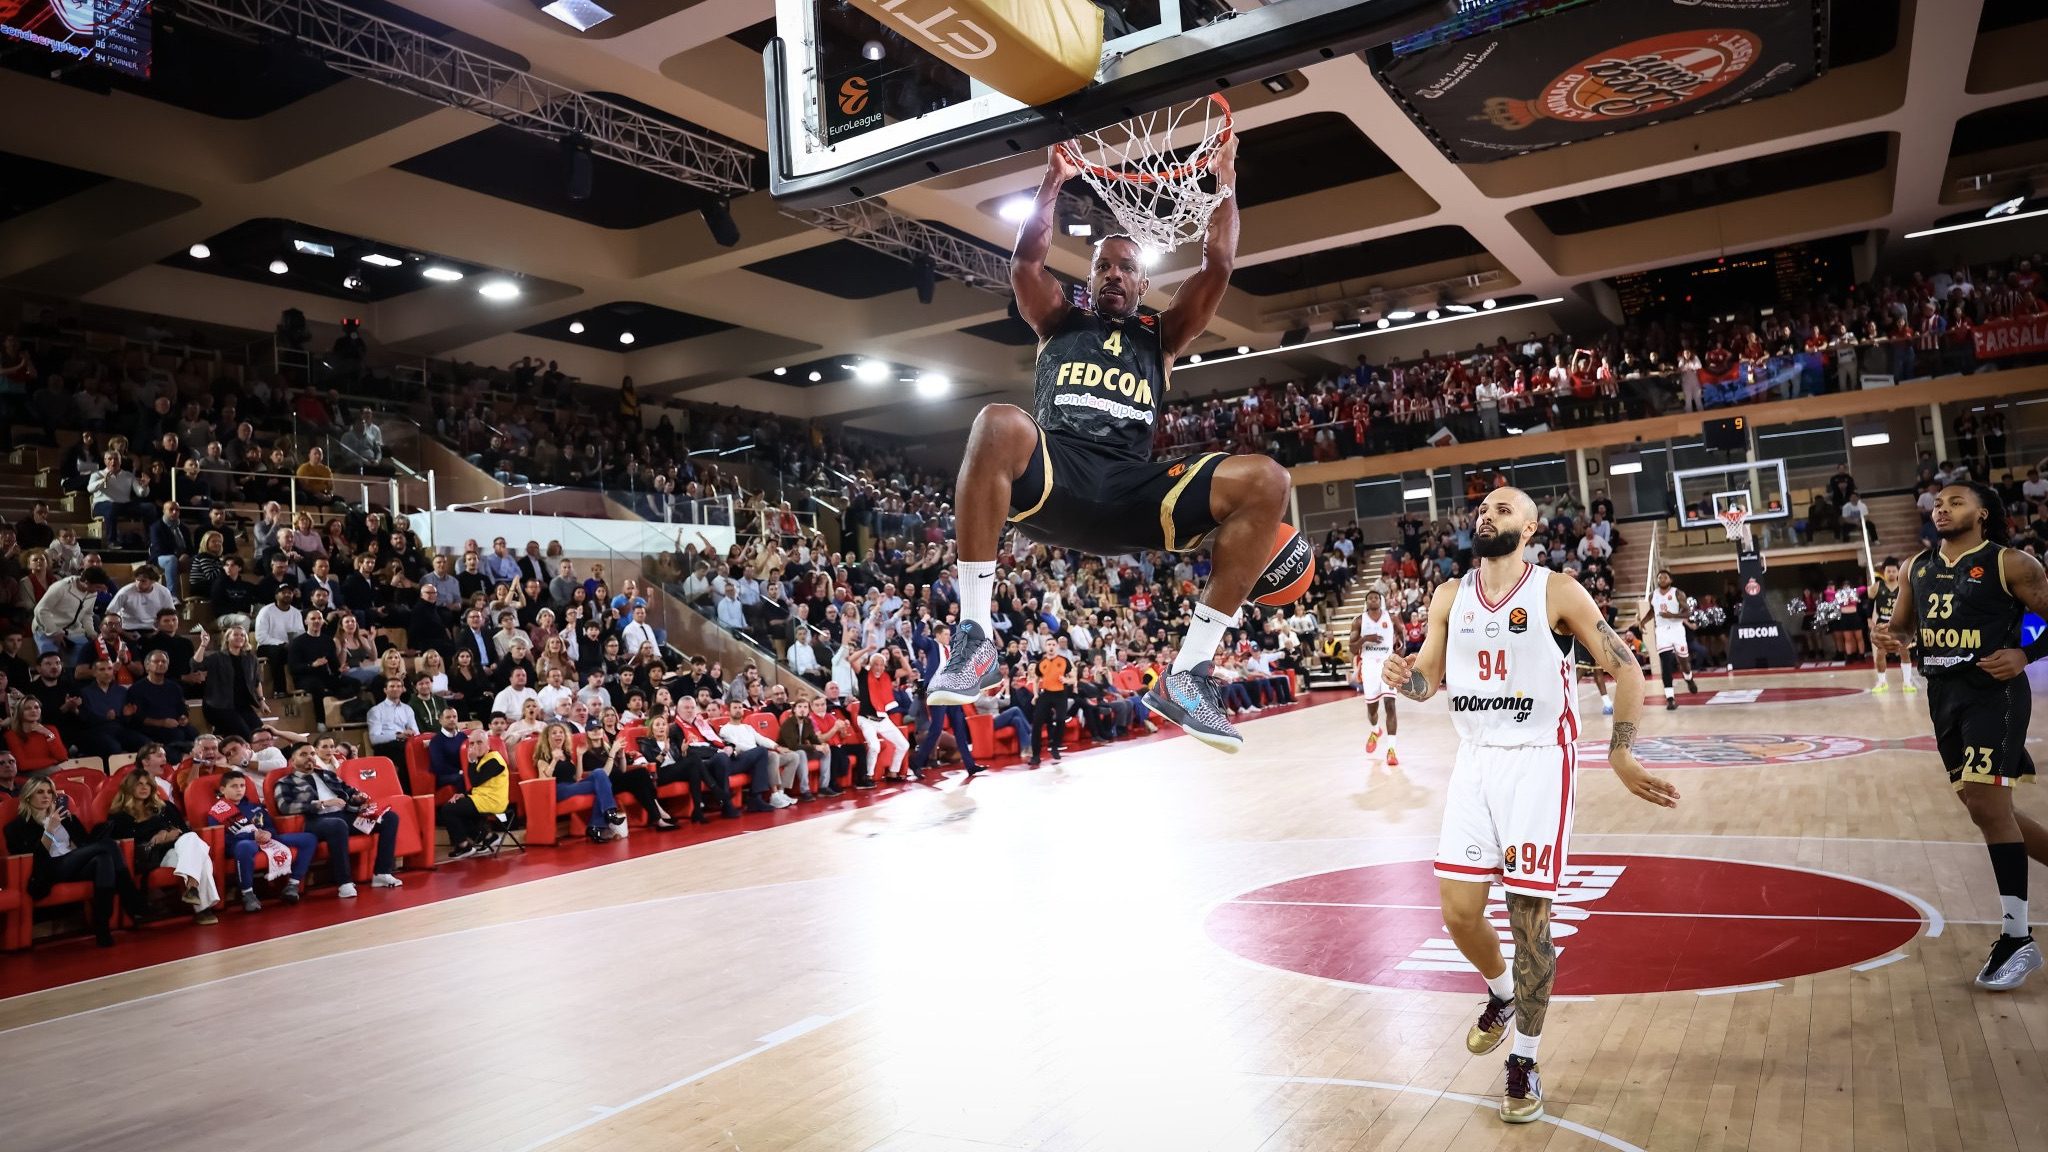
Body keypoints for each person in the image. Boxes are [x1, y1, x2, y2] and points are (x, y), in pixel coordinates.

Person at [923, 139, 1289, 756]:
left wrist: (1224, 182)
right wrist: (1051, 184)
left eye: (1125, 267)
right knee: (997, 421)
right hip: (1055, 477)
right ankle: (975, 636)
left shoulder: (1161, 334)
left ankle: (1190, 673)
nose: (1113, 274)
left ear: (1144, 284)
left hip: (1130, 491)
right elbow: (1023, 267)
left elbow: (1219, 265)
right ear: (1089, 279)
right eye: (1103, 266)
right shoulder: (1059, 321)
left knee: (1269, 480)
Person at [1380, 486, 1678, 1124]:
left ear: (1532, 527)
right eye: (1483, 509)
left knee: (1528, 922)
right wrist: (1406, 679)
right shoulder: (1449, 596)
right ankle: (1501, 994)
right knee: (1459, 914)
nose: (1487, 516)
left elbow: (1625, 668)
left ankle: (1525, 1059)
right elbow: (1430, 679)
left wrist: (1620, 753)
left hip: (1541, 762)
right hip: (1475, 760)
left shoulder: (1557, 591)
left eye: (1503, 509)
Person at [1876, 482, 2048, 990]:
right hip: (1944, 696)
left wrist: (2025, 654)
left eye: (1955, 501)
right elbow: (1904, 628)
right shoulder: (1916, 568)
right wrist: (1891, 637)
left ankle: (2018, 940)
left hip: (1995, 692)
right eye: (1938, 502)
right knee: (1988, 810)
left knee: (1990, 807)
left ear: (1982, 513)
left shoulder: (2011, 563)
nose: (1942, 507)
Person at [7, 776, 146, 946]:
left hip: (74, 864)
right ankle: (131, 899)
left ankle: (102, 927)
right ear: (28, 796)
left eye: (49, 792)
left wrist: (72, 830)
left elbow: (86, 844)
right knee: (108, 845)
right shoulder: (18, 826)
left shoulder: (66, 818)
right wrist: (50, 829)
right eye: (40, 792)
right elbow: (34, 857)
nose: (46, 796)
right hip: (48, 870)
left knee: (103, 859)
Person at [272, 741, 406, 894]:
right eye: (303, 755)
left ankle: (382, 873)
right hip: (314, 821)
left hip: (345, 815)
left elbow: (350, 791)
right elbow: (285, 807)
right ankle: (344, 883)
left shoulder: (327, 775)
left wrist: (358, 798)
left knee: (389, 818)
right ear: (293, 760)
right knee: (337, 824)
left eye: (312, 754)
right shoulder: (285, 782)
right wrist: (322, 804)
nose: (309, 757)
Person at [103, 766, 221, 924]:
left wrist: (172, 832)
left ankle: (194, 891)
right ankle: (201, 906)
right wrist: (157, 838)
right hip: (155, 856)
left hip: (179, 850)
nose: (144, 787)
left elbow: (184, 831)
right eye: (139, 784)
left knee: (191, 838)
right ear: (129, 787)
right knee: (201, 858)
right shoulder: (119, 816)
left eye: (147, 784)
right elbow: (124, 844)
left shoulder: (165, 807)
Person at [206, 768, 318, 911]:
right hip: (241, 844)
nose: (239, 789)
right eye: (234, 786)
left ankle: (292, 885)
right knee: (244, 846)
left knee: (308, 838)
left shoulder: (254, 806)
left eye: (242, 785)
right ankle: (247, 894)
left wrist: (268, 833)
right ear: (223, 789)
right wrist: (251, 836)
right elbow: (222, 839)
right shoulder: (217, 811)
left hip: (266, 840)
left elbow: (270, 826)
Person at [1351, 584, 1400, 765]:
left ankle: (1391, 750)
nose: (1373, 599)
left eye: (1376, 597)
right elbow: (1351, 647)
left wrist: (1399, 653)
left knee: (1390, 705)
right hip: (1369, 665)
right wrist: (1365, 639)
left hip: (1387, 664)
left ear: (1381, 601)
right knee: (1372, 709)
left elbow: (1402, 637)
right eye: (1370, 597)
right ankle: (1375, 730)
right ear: (1366, 602)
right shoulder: (1358, 621)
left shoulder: (1392, 618)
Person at [1638, 569, 1698, 710]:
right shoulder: (1653, 595)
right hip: (1662, 631)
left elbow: (1687, 612)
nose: (1662, 580)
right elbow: (1653, 610)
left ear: (1670, 580)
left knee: (1683, 661)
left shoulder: (1678, 593)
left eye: (1665, 577)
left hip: (1677, 629)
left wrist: (1673, 615)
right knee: (1666, 664)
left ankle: (1688, 678)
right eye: (1659, 578)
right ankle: (1670, 698)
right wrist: (1643, 621)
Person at [199, 625, 267, 738]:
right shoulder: (217, 657)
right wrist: (203, 645)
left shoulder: (251, 659)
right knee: (245, 734)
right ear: (227, 638)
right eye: (235, 634)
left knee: (262, 732)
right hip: (219, 706)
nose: (239, 637)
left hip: (242, 705)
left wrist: (262, 701)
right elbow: (196, 664)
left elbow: (257, 681)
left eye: (242, 635)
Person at [1869, 557, 1916, 694]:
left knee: (1904, 651)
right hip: (1883, 623)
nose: (1890, 573)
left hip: (1898, 623)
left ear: (1898, 572)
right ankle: (1882, 682)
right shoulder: (1877, 586)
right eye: (1888, 571)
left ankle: (1907, 682)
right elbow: (1869, 604)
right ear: (1884, 572)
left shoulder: (1904, 587)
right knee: (1880, 652)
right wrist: (1868, 618)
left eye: (1893, 571)